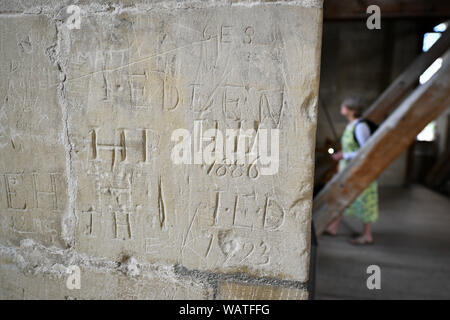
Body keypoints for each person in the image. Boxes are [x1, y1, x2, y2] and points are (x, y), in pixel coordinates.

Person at [325, 96, 379, 245]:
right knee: (340, 196)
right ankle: (333, 227)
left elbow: (366, 151)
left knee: (365, 200)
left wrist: (345, 155)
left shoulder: (361, 126)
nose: (341, 107)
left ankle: (367, 235)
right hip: (348, 168)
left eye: (344, 106)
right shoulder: (351, 125)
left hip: (360, 170)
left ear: (351, 110)